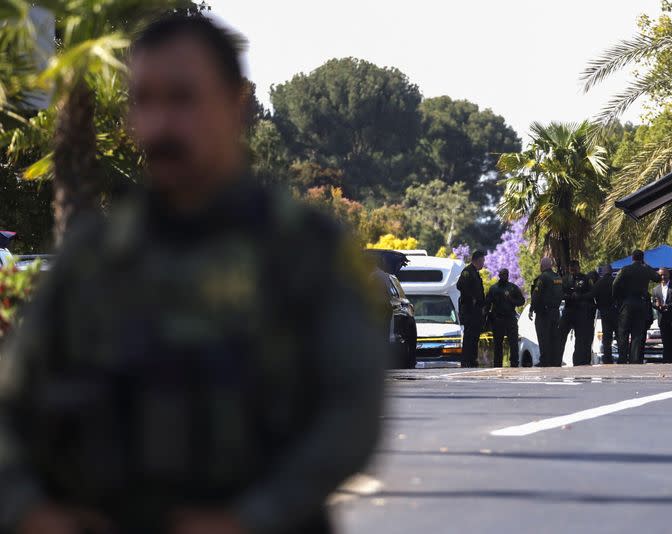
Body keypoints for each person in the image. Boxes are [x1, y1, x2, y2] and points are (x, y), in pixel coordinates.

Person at [0, 15, 386, 534]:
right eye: (145, 101)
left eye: (182, 99)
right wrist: (30, 511)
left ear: (234, 105)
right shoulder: (93, 257)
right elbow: (13, 403)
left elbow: (352, 414)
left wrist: (250, 519)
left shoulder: (304, 249)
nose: (160, 125)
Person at [613, 250, 660, 364]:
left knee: (623, 332)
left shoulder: (625, 269)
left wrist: (618, 300)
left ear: (632, 258)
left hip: (627, 303)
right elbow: (657, 277)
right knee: (637, 333)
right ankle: (634, 360)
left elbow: (615, 284)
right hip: (641, 303)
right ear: (642, 258)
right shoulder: (646, 269)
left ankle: (622, 359)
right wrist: (646, 265)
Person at [486, 268, 526, 367]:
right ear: (499, 275)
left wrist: (511, 300)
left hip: (510, 318)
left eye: (506, 274)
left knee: (513, 343)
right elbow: (487, 304)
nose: (504, 276)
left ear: (508, 275)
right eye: (502, 274)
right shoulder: (494, 288)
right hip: (498, 319)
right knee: (498, 343)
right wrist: (486, 318)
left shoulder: (513, 288)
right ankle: (497, 364)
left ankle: (514, 363)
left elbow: (521, 301)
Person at [529, 257, 563, 367]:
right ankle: (555, 361)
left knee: (543, 337)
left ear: (542, 266)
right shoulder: (558, 277)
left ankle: (545, 361)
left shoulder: (543, 277)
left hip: (544, 313)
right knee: (554, 338)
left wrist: (531, 308)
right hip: (555, 312)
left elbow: (536, 294)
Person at [558, 260, 593, 366]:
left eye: (575, 268)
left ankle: (578, 362)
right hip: (569, 309)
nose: (573, 270)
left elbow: (591, 293)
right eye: (571, 268)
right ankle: (556, 360)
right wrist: (569, 296)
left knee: (580, 339)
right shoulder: (565, 279)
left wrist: (580, 296)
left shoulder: (586, 279)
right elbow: (560, 293)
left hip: (581, 311)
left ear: (579, 267)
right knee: (560, 336)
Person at [457, 249, 487, 368]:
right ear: (478, 260)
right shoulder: (468, 271)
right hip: (470, 310)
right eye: (483, 261)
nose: (483, 263)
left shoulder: (475, 272)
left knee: (474, 336)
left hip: (476, 311)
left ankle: (472, 359)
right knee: (469, 336)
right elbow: (460, 285)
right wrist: (472, 299)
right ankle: (466, 360)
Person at [588, 264, 617, 364]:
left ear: (604, 272)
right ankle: (622, 357)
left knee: (607, 337)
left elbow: (591, 295)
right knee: (620, 336)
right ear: (611, 271)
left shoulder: (599, 283)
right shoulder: (615, 281)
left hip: (604, 312)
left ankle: (607, 358)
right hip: (616, 312)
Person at [652, 267, 672, 363]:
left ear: (668, 275)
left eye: (665, 274)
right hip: (662, 318)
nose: (663, 277)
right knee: (666, 341)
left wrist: (667, 306)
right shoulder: (655, 289)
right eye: (661, 275)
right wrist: (657, 306)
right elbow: (653, 302)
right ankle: (667, 361)